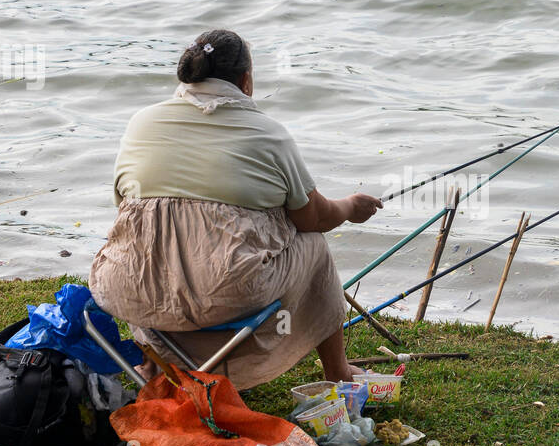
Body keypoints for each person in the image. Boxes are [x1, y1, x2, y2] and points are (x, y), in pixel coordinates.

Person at [89, 29, 382, 387]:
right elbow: (314, 217)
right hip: (223, 296)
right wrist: (351, 206)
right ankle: (338, 372)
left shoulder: (141, 122)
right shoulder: (266, 133)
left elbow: (125, 204)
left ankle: (154, 365)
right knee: (313, 246)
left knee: (146, 245)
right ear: (246, 80)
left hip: (128, 288)